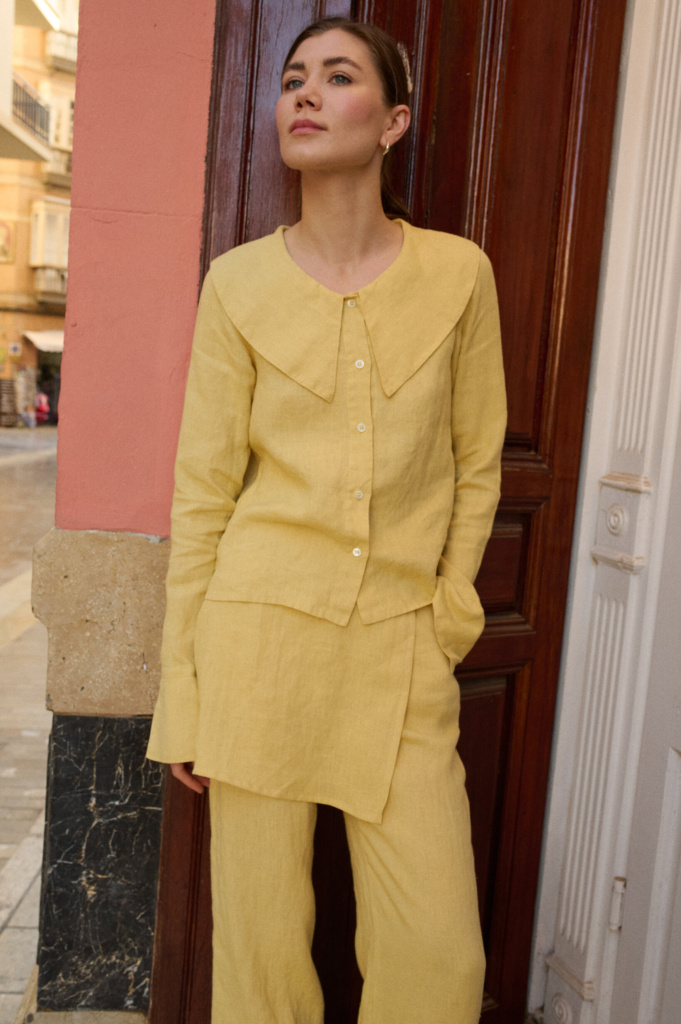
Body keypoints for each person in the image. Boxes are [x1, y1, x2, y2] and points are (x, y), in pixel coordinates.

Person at [146, 15, 507, 1024]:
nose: (303, 93)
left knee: (442, 960)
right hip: (258, 648)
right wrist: (187, 688)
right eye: (293, 77)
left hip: (400, 654)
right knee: (259, 963)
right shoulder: (240, 285)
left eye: (336, 77)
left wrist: (447, 614)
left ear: (393, 122)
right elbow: (204, 491)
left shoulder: (459, 275)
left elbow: (478, 461)